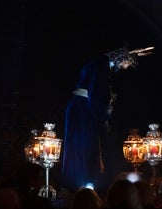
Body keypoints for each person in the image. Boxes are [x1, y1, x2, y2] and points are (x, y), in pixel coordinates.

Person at [60, 46, 146, 191]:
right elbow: (97, 96)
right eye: (126, 63)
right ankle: (80, 181)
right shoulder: (101, 67)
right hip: (83, 110)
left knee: (80, 146)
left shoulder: (97, 65)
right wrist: (105, 113)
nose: (125, 67)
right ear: (121, 58)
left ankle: (79, 180)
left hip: (80, 108)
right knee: (85, 145)